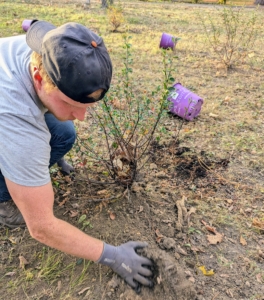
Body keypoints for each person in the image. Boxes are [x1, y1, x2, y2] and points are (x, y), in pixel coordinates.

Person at [0, 20, 153, 290]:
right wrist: (114, 256)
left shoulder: (55, 47)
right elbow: (42, 227)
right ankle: (3, 199)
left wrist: (52, 155)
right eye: (72, 104)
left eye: (87, 105)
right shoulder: (17, 122)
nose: (82, 117)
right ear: (38, 77)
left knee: (64, 132)